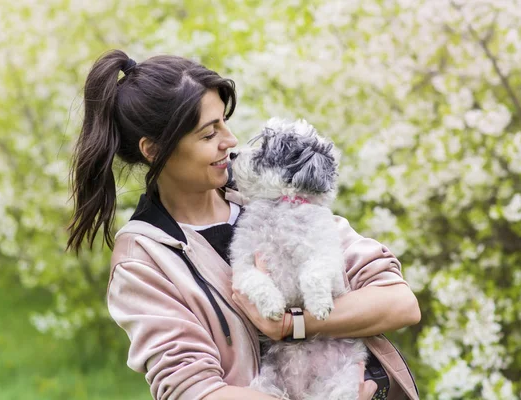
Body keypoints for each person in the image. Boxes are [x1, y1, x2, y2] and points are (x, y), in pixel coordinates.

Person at [66, 49, 422, 400]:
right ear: (154, 150)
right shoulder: (144, 260)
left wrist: (293, 324)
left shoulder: (273, 191)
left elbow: (399, 303)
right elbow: (195, 390)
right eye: (209, 134)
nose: (231, 141)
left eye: (224, 121)